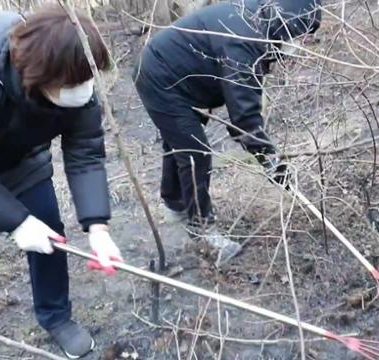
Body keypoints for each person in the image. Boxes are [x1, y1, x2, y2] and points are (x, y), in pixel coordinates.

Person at [0, 5, 123, 359]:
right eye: (72, 83)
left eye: (86, 80)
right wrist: (17, 223)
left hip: (20, 161)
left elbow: (86, 154)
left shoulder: (80, 87)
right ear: (36, 75)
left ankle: (56, 317)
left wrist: (98, 227)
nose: (83, 90)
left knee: (50, 233)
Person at [133, 0, 321, 266]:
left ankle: (175, 203)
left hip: (184, 72)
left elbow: (244, 96)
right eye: (298, 36)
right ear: (286, 24)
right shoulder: (242, 40)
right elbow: (243, 118)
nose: (300, 44)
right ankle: (202, 228)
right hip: (161, 76)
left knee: (180, 140)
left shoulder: (258, 20)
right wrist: (272, 162)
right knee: (194, 149)